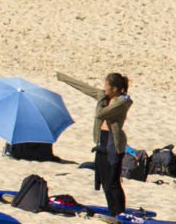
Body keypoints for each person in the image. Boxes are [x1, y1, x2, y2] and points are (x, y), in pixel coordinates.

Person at [56, 72, 131, 215]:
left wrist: (101, 101)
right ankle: (112, 211)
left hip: (113, 142)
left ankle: (119, 212)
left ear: (114, 89)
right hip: (102, 140)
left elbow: (101, 114)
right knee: (104, 181)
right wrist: (63, 77)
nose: (104, 89)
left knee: (112, 182)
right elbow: (85, 88)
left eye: (106, 86)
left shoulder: (122, 101)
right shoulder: (105, 96)